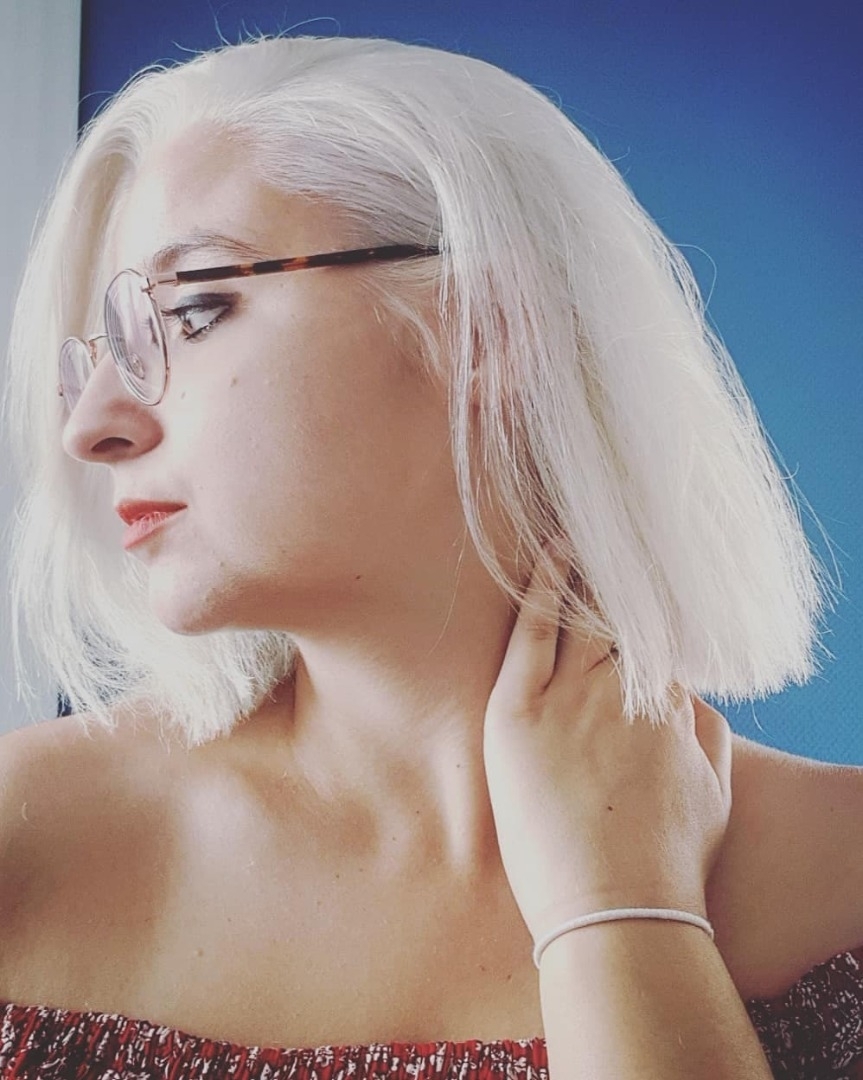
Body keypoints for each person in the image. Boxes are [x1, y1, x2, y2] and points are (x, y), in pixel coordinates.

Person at [0, 32, 861, 1080]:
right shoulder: (21, 839)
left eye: (191, 312)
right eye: (95, 357)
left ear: (487, 327)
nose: (89, 425)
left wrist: (622, 913)